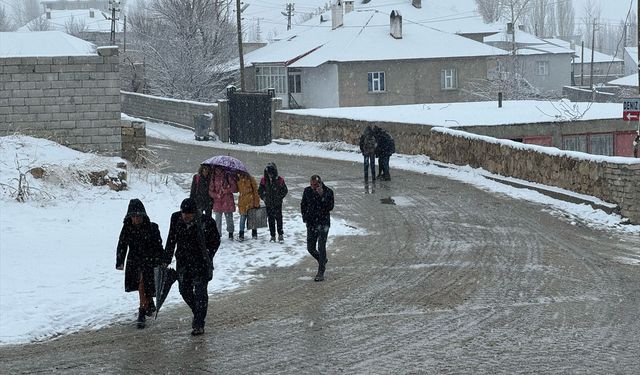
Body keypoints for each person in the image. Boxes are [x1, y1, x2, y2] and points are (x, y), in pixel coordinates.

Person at [163, 198, 220, 336]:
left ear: (195, 212)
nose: (185, 216)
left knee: (201, 293)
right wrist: (166, 259)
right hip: (183, 263)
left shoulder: (207, 222)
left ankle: (199, 323)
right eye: (183, 213)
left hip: (200, 263)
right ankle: (197, 312)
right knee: (184, 290)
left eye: (188, 214)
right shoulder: (176, 219)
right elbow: (171, 240)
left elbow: (215, 241)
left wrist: (208, 253)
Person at [116, 198, 164, 329]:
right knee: (140, 286)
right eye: (134, 216)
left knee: (143, 284)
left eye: (139, 216)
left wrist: (162, 259)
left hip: (149, 261)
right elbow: (122, 244)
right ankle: (149, 303)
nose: (136, 219)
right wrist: (120, 261)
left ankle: (142, 312)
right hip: (134, 261)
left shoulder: (152, 228)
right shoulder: (127, 228)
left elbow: (158, 245)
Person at [300, 175, 334, 282]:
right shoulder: (307, 191)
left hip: (323, 223)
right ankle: (322, 259)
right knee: (310, 248)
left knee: (321, 246)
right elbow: (303, 205)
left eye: (314, 185)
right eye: (311, 185)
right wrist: (305, 218)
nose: (313, 187)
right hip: (311, 224)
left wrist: (322, 195)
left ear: (320, 183)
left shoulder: (328, 191)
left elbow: (330, 207)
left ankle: (321, 271)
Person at [258, 162, 288, 243]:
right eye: (268, 173)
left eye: (271, 173)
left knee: (279, 219)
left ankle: (280, 235)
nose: (269, 175)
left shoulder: (280, 180)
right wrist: (264, 197)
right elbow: (260, 191)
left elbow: (285, 190)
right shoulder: (263, 180)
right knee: (271, 220)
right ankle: (273, 236)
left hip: (278, 203)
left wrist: (279, 197)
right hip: (268, 203)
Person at [209, 166, 238, 240]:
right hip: (218, 201)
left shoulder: (227, 176)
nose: (217, 170)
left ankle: (230, 233)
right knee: (218, 220)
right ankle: (218, 235)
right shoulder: (213, 177)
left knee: (229, 219)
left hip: (227, 201)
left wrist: (226, 190)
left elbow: (235, 188)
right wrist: (216, 195)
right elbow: (210, 191)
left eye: (219, 168)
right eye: (216, 169)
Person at [237, 171, 260, 241]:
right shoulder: (238, 179)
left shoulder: (251, 179)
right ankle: (241, 234)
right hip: (242, 201)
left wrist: (256, 202)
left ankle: (254, 234)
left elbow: (256, 191)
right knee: (242, 218)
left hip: (250, 201)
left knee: (252, 217)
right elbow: (235, 189)